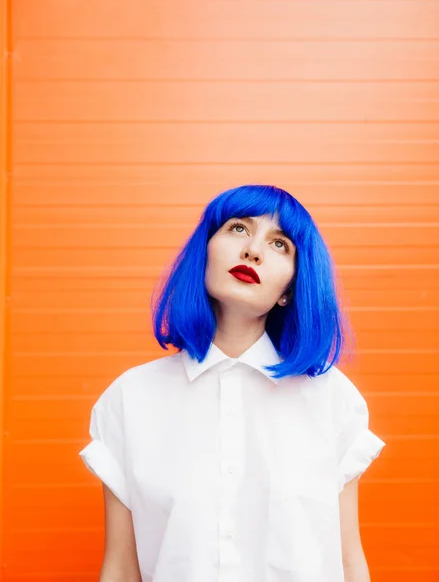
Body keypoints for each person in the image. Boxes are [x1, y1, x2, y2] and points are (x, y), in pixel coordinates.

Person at [79, 184, 386, 582]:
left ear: (289, 290)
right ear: (204, 250)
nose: (253, 250)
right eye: (238, 229)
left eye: (280, 244)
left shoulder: (334, 400)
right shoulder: (129, 399)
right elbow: (121, 568)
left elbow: (348, 561)